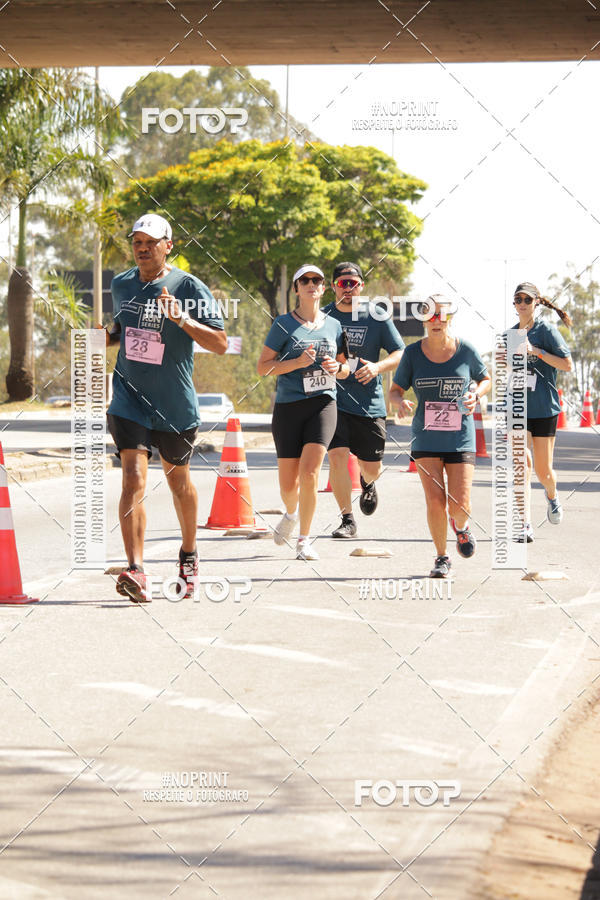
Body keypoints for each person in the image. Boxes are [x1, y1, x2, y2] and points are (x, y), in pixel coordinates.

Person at [103, 213, 227, 602]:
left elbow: (220, 343)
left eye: (151, 242)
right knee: (132, 479)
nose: (142, 248)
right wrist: (98, 338)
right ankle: (136, 569)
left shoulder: (188, 286)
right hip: (128, 399)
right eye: (137, 242)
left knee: (179, 483)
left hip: (173, 404)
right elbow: (123, 328)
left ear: (168, 245)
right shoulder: (121, 283)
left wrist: (182, 318)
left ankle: (188, 553)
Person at [390, 294, 491, 578]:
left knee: (460, 505)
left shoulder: (466, 350)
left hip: (460, 437)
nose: (436, 321)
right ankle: (441, 557)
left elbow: (485, 379)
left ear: (450, 318)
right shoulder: (412, 354)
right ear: (423, 319)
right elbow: (395, 390)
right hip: (426, 438)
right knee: (435, 501)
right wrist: (400, 403)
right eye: (430, 315)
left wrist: (475, 394)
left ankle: (461, 528)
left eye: (441, 315)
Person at [257, 264, 349, 560]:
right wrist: (296, 363)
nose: (312, 284)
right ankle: (291, 512)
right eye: (304, 280)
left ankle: (304, 540)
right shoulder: (283, 324)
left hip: (323, 403)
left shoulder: (334, 326)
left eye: (317, 280)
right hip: (289, 407)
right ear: (296, 289)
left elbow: (345, 367)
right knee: (288, 484)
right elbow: (263, 367)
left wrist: (339, 368)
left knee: (310, 473)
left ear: (324, 288)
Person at [323, 262, 405, 537]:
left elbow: (399, 352)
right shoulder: (323, 317)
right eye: (343, 283)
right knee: (336, 457)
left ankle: (367, 483)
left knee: (372, 467)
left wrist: (378, 368)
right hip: (331, 400)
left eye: (353, 283)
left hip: (369, 404)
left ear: (362, 286)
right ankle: (347, 520)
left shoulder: (376, 316)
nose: (348, 288)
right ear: (333, 286)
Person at [510, 282, 572, 543]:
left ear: (536, 302)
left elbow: (567, 365)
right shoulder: (511, 334)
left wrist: (537, 352)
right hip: (518, 408)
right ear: (514, 304)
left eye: (527, 299)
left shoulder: (546, 331)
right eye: (518, 299)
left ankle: (552, 495)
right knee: (520, 465)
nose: (522, 303)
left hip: (544, 408)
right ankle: (524, 524)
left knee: (544, 471)